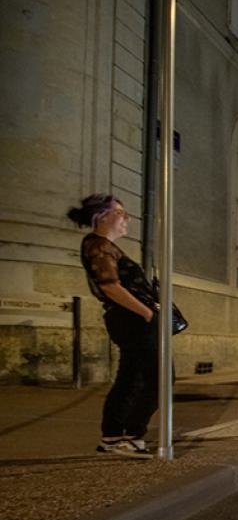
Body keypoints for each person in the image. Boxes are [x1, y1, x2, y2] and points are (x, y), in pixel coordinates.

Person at [71, 194, 157, 458]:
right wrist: (147, 313)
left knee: (132, 377)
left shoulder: (104, 245)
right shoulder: (98, 246)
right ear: (102, 216)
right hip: (131, 319)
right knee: (156, 378)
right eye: (121, 213)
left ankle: (116, 436)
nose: (126, 218)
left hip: (129, 318)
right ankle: (126, 436)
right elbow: (110, 286)